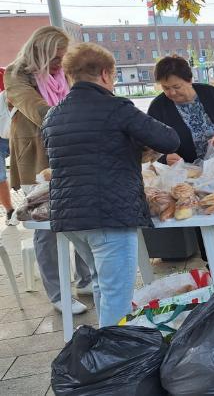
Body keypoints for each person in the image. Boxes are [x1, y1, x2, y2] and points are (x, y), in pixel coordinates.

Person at [43, 43, 180, 326]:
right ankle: (115, 362)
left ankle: (105, 354)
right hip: (109, 215)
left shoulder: (53, 115)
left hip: (70, 218)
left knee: (100, 284)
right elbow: (169, 140)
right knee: (117, 295)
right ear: (106, 74)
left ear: (70, 75)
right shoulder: (116, 107)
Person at [3, 26, 93, 314]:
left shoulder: (63, 73)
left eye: (62, 58)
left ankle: (85, 279)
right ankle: (58, 294)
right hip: (36, 157)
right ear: (40, 51)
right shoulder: (16, 73)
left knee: (82, 217)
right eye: (55, 57)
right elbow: (37, 109)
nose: (59, 63)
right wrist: (77, 119)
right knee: (46, 226)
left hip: (70, 150)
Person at [148, 55, 214, 268]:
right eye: (166, 88)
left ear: (189, 79)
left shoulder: (210, 95)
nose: (172, 93)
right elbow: (151, 142)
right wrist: (166, 157)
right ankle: (211, 261)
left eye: (177, 86)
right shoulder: (159, 107)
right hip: (186, 172)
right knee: (196, 212)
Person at [0, 67, 16, 223]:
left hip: (18, 132)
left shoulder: (6, 73)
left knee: (29, 171)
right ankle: (10, 210)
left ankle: (32, 203)